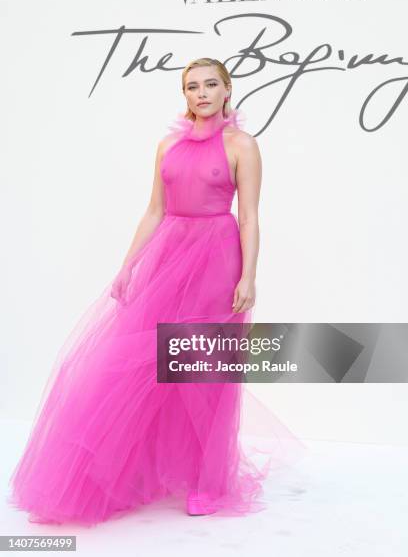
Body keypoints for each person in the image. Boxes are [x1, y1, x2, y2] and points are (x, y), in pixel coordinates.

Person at [7, 57, 306, 526]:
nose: (202, 93)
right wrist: (128, 266)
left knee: (202, 370)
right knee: (143, 362)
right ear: (184, 95)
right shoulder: (167, 145)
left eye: (211, 85)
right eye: (192, 87)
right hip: (168, 256)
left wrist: (248, 276)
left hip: (216, 259)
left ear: (228, 90)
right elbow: (153, 210)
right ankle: (140, 473)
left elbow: (248, 215)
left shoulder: (241, 145)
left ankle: (209, 481)